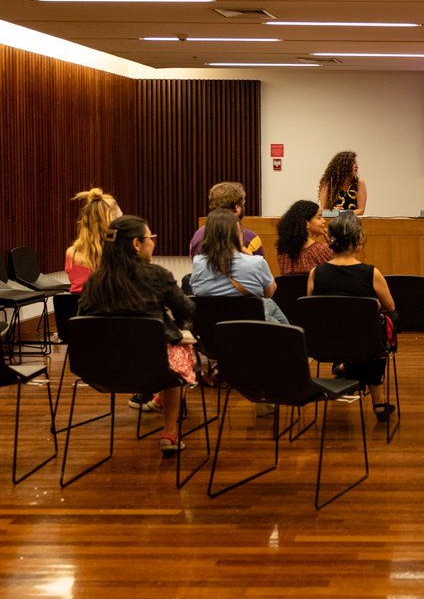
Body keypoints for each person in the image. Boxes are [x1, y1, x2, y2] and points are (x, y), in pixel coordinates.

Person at [78, 215, 196, 454]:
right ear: (136, 244)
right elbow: (187, 310)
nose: (153, 242)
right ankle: (169, 433)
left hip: (101, 370)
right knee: (179, 349)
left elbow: (82, 324)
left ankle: (159, 400)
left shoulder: (94, 283)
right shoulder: (157, 276)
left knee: (167, 351)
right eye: (150, 237)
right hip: (153, 369)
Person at [308, 212, 396, 423]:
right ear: (358, 240)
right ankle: (378, 402)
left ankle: (346, 367)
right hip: (365, 345)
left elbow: (313, 307)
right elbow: (390, 306)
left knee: (357, 332)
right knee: (377, 329)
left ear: (331, 239)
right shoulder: (371, 273)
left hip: (326, 344)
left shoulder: (316, 273)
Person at [191, 209, 288, 324]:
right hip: (252, 327)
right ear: (237, 235)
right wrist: (249, 256)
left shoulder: (198, 263)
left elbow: (197, 292)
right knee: (270, 305)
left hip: (212, 328)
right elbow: (269, 293)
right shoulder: (256, 263)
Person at [64, 187, 122, 293]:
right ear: (112, 224)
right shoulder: (118, 253)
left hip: (79, 304)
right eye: (121, 219)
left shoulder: (71, 254)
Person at [188, 181, 264, 257]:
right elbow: (259, 263)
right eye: (243, 202)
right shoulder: (252, 239)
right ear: (237, 208)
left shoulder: (197, 236)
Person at [275, 199, 334, 276]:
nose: (324, 221)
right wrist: (331, 244)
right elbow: (339, 271)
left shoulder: (283, 252)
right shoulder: (320, 250)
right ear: (306, 224)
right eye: (319, 218)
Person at [318, 150, 367, 215]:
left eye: (356, 163)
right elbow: (323, 211)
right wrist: (333, 212)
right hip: (333, 220)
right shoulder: (328, 182)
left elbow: (361, 211)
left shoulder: (359, 182)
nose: (356, 166)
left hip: (352, 220)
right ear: (343, 166)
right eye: (352, 163)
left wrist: (340, 213)